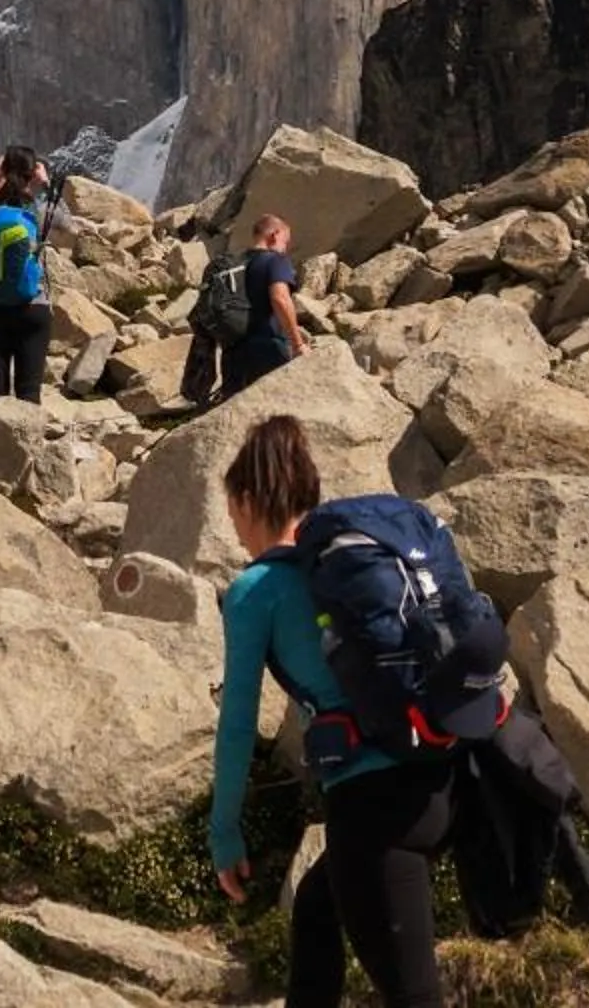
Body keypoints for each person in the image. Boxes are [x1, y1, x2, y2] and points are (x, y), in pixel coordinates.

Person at [213, 415, 454, 1008]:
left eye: (233, 513)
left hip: (374, 812)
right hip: (444, 778)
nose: (236, 531)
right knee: (318, 911)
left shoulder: (256, 591)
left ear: (247, 501)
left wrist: (224, 833)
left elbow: (238, 722)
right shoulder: (360, 560)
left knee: (414, 999)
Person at [0, 146, 54, 401]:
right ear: (32, 175)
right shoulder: (36, 211)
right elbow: (70, 228)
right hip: (33, 307)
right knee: (29, 395)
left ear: (3, 172)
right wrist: (46, 186)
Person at [221, 215, 312, 399]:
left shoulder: (233, 264)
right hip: (267, 350)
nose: (285, 249)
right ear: (274, 235)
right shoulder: (274, 260)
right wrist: (298, 344)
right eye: (285, 242)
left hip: (231, 355)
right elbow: (280, 299)